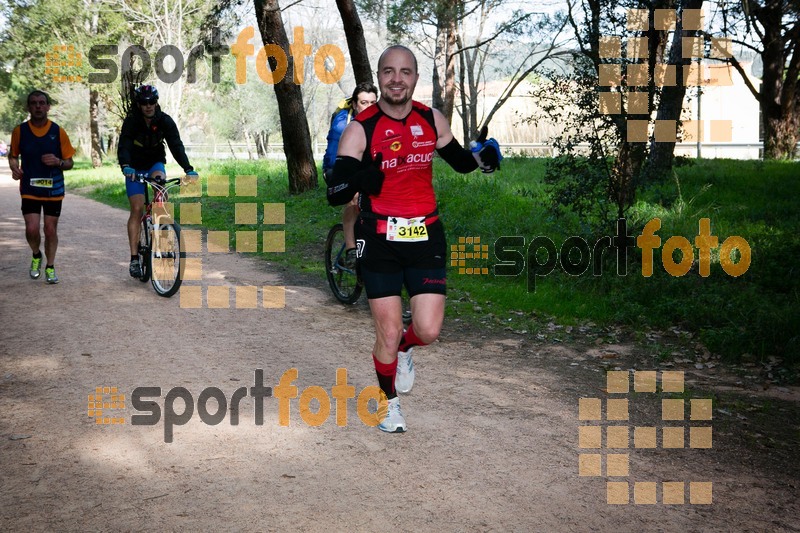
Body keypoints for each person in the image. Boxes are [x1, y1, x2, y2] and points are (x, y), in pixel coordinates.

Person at [326, 45, 501, 433]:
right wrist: (360, 178)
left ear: (415, 78)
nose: (396, 79)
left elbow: (459, 161)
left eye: (405, 72)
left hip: (425, 234)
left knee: (427, 330)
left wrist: (483, 158)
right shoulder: (361, 128)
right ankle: (389, 403)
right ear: (380, 75)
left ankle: (406, 349)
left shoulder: (431, 118)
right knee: (386, 331)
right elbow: (335, 191)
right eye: (388, 72)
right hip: (380, 238)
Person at [118, 85, 198, 278]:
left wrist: (188, 168)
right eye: (144, 103)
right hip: (134, 167)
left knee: (161, 196)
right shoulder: (131, 122)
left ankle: (163, 235)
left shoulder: (165, 121)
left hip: (155, 163)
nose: (148, 106)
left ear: (156, 102)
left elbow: (176, 145)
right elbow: (124, 146)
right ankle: (134, 258)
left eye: (152, 101)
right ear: (139, 104)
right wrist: (126, 166)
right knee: (137, 209)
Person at [8, 90, 76, 284]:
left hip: (53, 189)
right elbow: (12, 155)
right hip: (30, 188)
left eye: (42, 103)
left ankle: (50, 266)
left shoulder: (58, 131)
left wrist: (58, 162)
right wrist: (15, 168)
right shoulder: (19, 131)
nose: (38, 106)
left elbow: (69, 162)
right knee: (31, 229)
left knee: (50, 230)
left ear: (48, 107)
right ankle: (36, 254)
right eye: (34, 103)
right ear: (29, 107)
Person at [322, 82, 378, 267]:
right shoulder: (342, 124)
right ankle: (351, 250)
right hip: (336, 168)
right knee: (354, 200)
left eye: (372, 103)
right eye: (363, 103)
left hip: (364, 169)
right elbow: (334, 156)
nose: (368, 107)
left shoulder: (380, 120)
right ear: (354, 104)